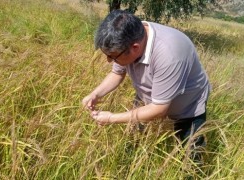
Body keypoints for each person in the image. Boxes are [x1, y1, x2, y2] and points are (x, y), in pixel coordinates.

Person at [82, 10, 211, 162]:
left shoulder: (169, 54)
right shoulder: (130, 38)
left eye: (112, 56)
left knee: (190, 155)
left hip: (187, 106)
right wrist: (95, 94)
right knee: (134, 139)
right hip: (148, 97)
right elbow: (117, 74)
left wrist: (111, 118)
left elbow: (158, 109)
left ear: (135, 48)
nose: (109, 61)